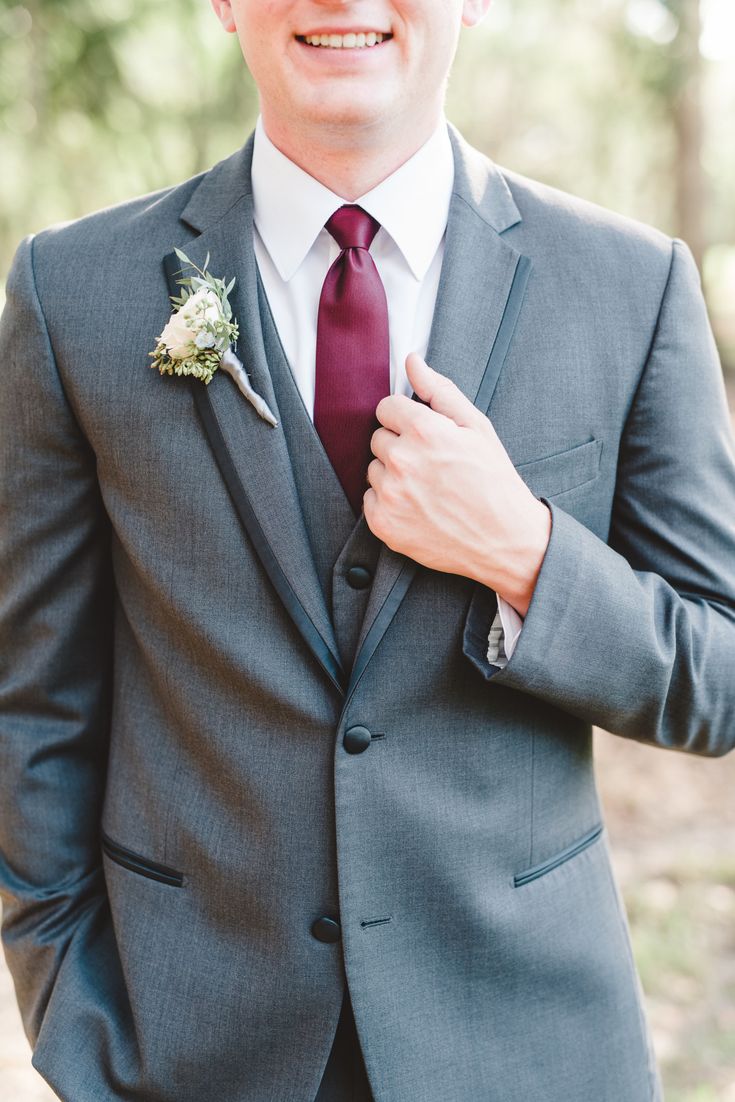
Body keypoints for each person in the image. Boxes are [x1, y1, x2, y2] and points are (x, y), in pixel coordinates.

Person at [1, 0, 734, 1098]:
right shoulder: (76, 294)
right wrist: (74, 1015)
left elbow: (719, 671)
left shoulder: (632, 287)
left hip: (530, 1052)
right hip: (191, 1052)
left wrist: (527, 555)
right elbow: (32, 704)